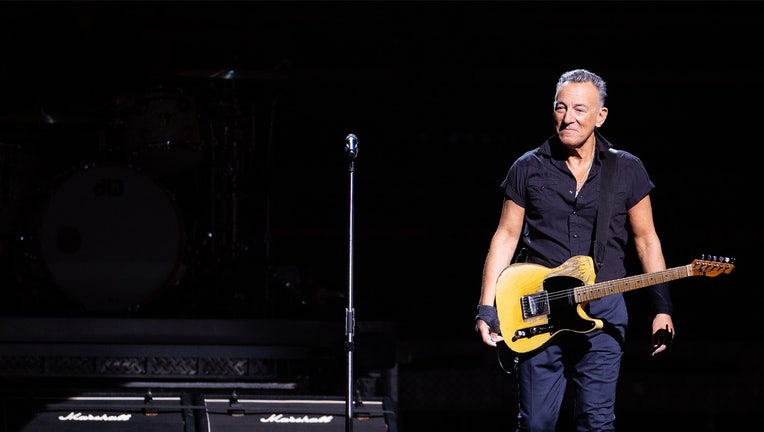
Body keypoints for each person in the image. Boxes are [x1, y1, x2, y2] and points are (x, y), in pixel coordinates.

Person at [474, 68, 675, 431]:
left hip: (603, 306)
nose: (568, 118)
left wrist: (661, 308)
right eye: (561, 107)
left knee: (596, 422)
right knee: (535, 423)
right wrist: (487, 307)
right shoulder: (528, 167)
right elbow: (505, 237)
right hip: (539, 307)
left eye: (580, 110)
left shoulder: (626, 168)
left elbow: (647, 240)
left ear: (601, 116)